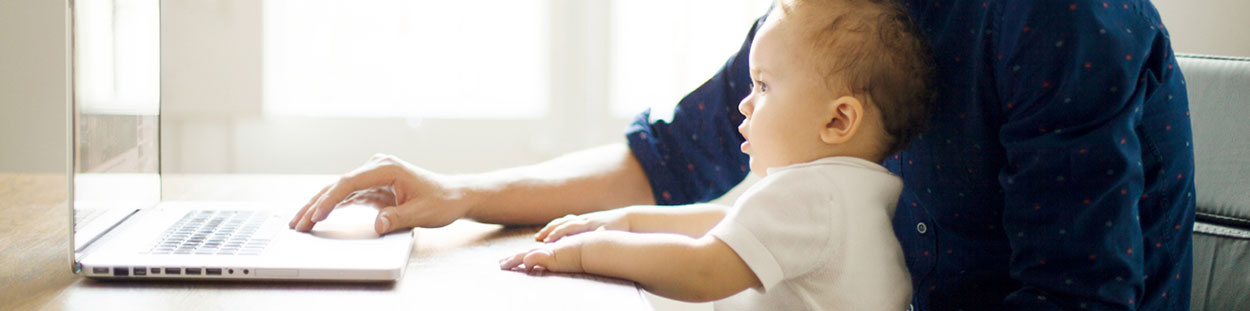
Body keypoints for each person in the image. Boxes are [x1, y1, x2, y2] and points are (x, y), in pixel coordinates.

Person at [290, 0, 1194, 309]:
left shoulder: (1058, 20)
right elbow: (675, 156)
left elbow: (1074, 297)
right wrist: (459, 194)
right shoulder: (830, 25)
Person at [497, 0, 932, 308]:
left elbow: (704, 270)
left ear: (837, 121)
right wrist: (630, 221)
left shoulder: (815, 193)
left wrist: (582, 253)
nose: (744, 104)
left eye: (763, 86)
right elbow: (731, 224)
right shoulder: (858, 190)